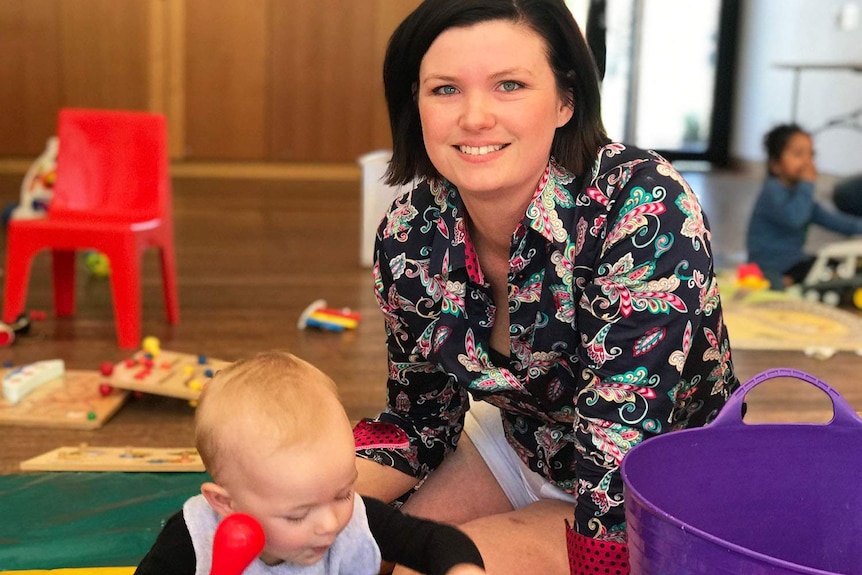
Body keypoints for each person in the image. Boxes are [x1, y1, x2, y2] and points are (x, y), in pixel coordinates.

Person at [352, 1, 739, 574]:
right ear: (416, 103)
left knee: (424, 568)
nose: (475, 117)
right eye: (445, 89)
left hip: (657, 491)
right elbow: (419, 420)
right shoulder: (410, 232)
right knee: (353, 550)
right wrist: (290, 497)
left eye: (509, 84)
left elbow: (619, 444)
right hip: (527, 447)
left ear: (566, 100)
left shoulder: (642, 205)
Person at [135, 351, 485, 575]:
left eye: (342, 493)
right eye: (298, 514)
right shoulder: (195, 539)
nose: (329, 524)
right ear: (226, 503)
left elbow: (434, 542)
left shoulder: (355, 525)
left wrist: (462, 568)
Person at [746, 123, 862, 290]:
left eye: (811, 155)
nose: (808, 162)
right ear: (776, 165)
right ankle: (780, 283)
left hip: (793, 262)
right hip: (769, 267)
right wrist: (807, 185)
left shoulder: (801, 196)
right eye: (798, 154)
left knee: (836, 265)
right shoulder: (772, 192)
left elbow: (833, 221)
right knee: (822, 274)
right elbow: (795, 217)